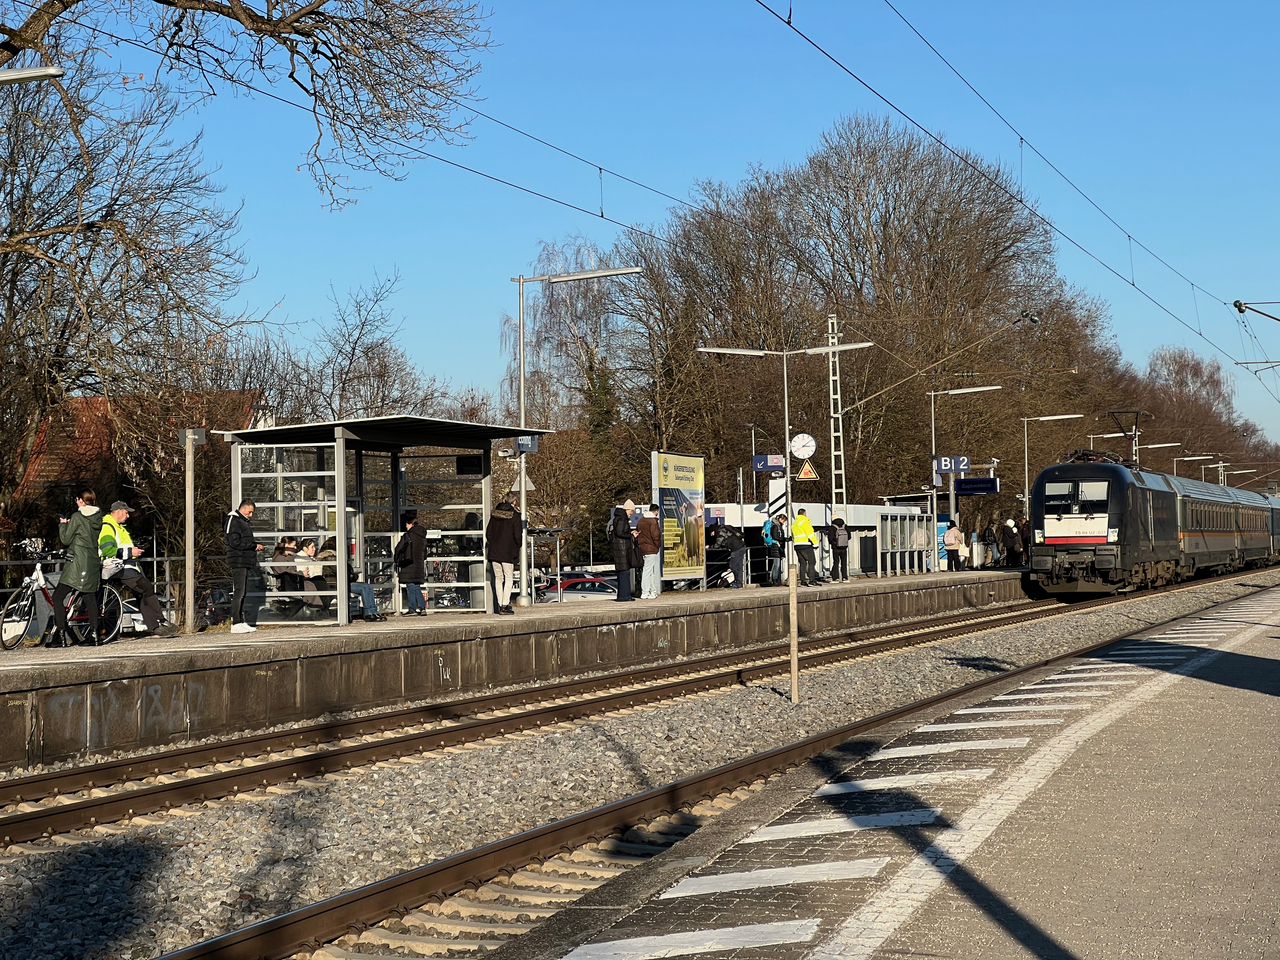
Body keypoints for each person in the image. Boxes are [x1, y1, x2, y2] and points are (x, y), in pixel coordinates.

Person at [99, 500, 175, 637]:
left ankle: (156, 625)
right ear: (118, 511)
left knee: (142, 592)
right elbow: (107, 550)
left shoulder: (118, 527)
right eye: (126, 513)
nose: (128, 516)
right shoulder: (108, 527)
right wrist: (131, 552)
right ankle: (159, 622)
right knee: (145, 587)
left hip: (125, 566)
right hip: (117, 567)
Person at [50, 487, 105, 647]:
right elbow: (85, 534)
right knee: (90, 598)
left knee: (58, 597)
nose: (76, 502)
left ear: (81, 501)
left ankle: (61, 636)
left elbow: (66, 539)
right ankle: (94, 635)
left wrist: (63, 525)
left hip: (77, 563)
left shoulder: (77, 516)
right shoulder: (98, 517)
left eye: (76, 499)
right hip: (92, 562)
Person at [224, 498, 263, 633]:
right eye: (250, 512)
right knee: (239, 592)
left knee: (242, 592)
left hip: (244, 560)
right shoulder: (233, 520)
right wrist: (253, 546)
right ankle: (236, 622)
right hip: (238, 560)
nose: (251, 515)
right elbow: (234, 542)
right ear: (243, 508)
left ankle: (240, 621)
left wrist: (253, 546)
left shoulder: (241, 522)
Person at [486, 495, 521, 615]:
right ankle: (505, 605)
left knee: (498, 578)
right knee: (508, 577)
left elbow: (488, 534)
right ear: (514, 502)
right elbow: (518, 536)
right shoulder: (515, 516)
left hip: (494, 551)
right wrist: (517, 546)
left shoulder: (495, 514)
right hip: (508, 552)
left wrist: (494, 544)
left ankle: (500, 604)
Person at [394, 511, 428, 614]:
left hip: (409, 564)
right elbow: (425, 554)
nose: (406, 526)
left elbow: (398, 548)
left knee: (410, 586)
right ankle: (422, 607)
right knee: (415, 586)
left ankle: (412, 609)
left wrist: (397, 559)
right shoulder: (422, 538)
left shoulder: (408, 535)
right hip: (418, 565)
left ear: (411, 524)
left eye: (407, 524)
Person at [608, 500, 638, 602]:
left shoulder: (619, 518)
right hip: (622, 549)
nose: (632, 513)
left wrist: (630, 533)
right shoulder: (622, 519)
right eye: (631, 510)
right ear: (627, 509)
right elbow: (620, 533)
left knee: (622, 573)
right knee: (625, 572)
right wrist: (631, 535)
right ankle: (625, 596)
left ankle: (623, 596)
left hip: (620, 548)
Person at [295, 538, 330, 612]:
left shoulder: (310, 559)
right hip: (303, 583)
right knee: (320, 581)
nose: (314, 549)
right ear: (305, 548)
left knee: (320, 581)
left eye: (315, 546)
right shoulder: (300, 558)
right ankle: (322, 607)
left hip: (310, 581)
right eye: (312, 547)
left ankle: (323, 607)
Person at [636, 504, 662, 599]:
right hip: (651, 548)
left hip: (642, 548)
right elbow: (656, 536)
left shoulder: (641, 521)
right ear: (656, 511)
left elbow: (637, 532)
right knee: (647, 571)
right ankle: (645, 592)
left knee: (649, 571)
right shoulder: (653, 522)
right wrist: (658, 545)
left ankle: (652, 591)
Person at [792, 508, 819, 586]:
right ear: (804, 514)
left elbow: (793, 536)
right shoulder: (805, 522)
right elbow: (810, 534)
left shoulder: (794, 524)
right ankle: (811, 580)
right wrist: (815, 544)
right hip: (806, 545)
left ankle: (803, 581)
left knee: (802, 563)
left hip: (797, 546)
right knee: (812, 562)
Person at [719, 524, 747, 588]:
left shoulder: (720, 531)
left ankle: (738, 582)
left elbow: (718, 542)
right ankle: (739, 582)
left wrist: (711, 546)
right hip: (742, 546)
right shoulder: (729, 530)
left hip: (736, 549)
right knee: (739, 566)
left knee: (733, 566)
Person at [762, 514, 787, 585]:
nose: (784, 522)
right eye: (783, 520)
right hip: (775, 546)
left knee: (777, 564)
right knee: (777, 564)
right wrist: (784, 539)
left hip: (777, 546)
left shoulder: (777, 526)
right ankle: (774, 579)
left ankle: (775, 579)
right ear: (780, 519)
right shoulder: (775, 526)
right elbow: (775, 536)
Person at [828, 517, 851, 582]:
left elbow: (830, 538)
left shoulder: (832, 527)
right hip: (844, 547)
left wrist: (833, 543)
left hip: (835, 548)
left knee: (836, 562)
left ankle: (836, 578)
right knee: (844, 563)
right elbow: (849, 536)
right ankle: (845, 577)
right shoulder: (845, 526)